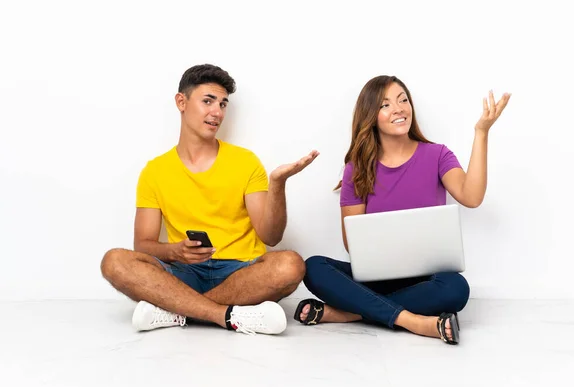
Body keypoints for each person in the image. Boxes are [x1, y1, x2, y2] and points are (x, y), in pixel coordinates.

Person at [101, 64, 319, 335]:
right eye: (208, 101)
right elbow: (142, 245)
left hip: (241, 272)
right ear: (181, 102)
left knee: (290, 265)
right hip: (184, 273)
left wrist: (278, 184)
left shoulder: (245, 162)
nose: (217, 112)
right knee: (114, 261)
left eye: (223, 104)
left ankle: (178, 311)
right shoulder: (154, 171)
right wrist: (174, 251)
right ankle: (224, 315)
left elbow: (271, 236)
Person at [294, 75, 510, 345]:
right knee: (314, 267)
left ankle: (350, 313)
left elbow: (472, 196)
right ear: (371, 116)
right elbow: (353, 245)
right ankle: (414, 321)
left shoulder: (438, 155)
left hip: (425, 280)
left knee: (456, 288)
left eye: (403, 100)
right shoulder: (357, 169)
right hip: (376, 278)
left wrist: (482, 133)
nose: (398, 108)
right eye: (385, 105)